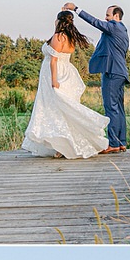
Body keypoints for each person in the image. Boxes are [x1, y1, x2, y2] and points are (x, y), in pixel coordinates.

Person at [21, 12, 110, 159]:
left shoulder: (58, 36)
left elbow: (53, 61)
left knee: (55, 108)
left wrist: (54, 80)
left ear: (58, 21)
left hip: (56, 74)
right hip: (67, 71)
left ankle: (61, 147)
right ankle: (62, 146)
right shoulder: (69, 37)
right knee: (62, 109)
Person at [62, 3, 129, 153]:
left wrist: (76, 9)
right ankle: (121, 142)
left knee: (111, 108)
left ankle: (113, 144)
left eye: (108, 15)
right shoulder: (123, 30)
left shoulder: (114, 27)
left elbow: (94, 22)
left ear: (116, 17)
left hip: (111, 71)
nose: (105, 19)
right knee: (118, 108)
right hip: (120, 72)